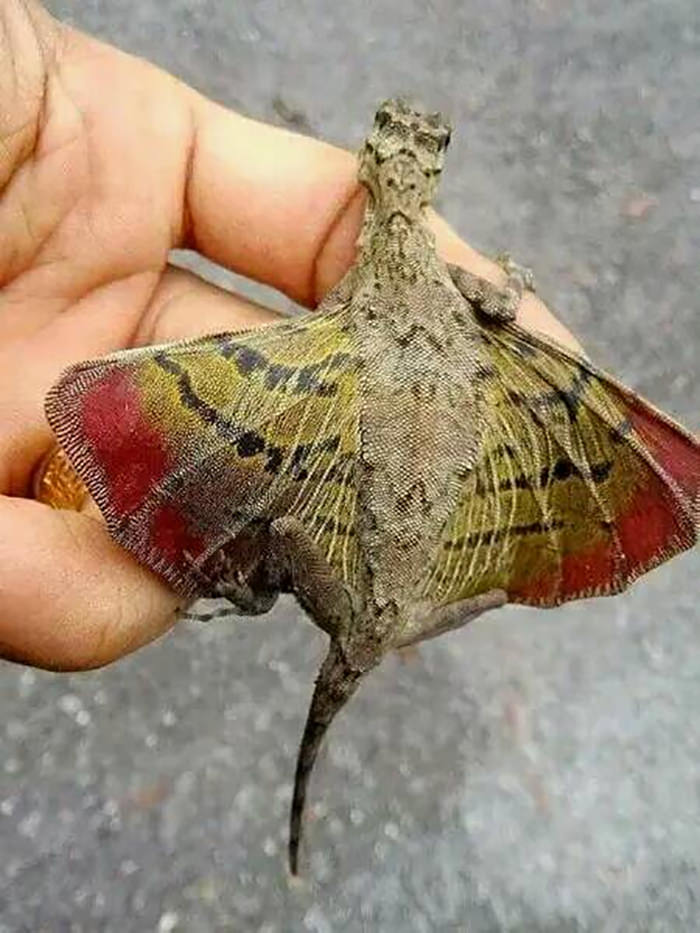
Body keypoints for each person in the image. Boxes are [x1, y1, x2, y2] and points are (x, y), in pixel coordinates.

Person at [0, 0, 577, 671]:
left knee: (286, 514)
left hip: (366, 553)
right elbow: (502, 304)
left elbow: (342, 329)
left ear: (373, 154)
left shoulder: (368, 278)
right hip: (396, 548)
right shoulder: (447, 278)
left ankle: (272, 589)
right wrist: (509, 278)